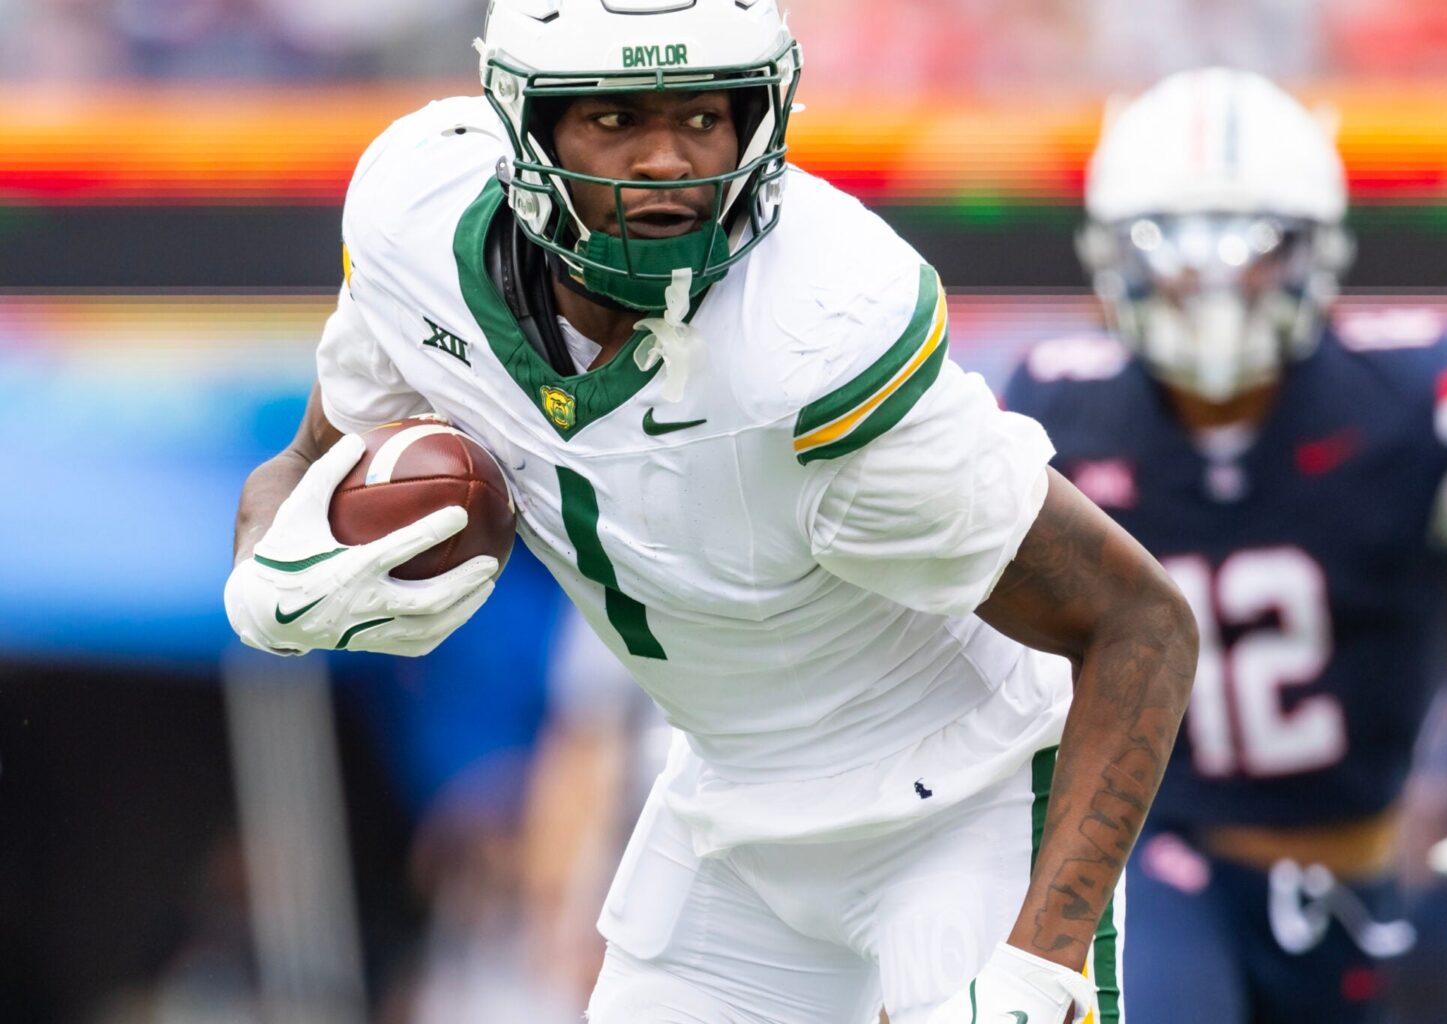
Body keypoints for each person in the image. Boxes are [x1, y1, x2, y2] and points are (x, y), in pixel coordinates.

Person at [220, 3, 1198, 1022]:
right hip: (730, 804)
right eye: (615, 119)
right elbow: (302, 463)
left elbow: (1142, 623)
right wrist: (264, 577)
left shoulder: (818, 330)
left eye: (701, 117)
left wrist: (1041, 963)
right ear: (525, 128)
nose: (664, 161)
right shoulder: (418, 228)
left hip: (964, 804)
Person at [1002, 67, 1447, 1022]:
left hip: (1350, 883)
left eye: (1254, 248)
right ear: (1112, 254)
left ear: (1318, 248)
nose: (1216, 287)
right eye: (1176, 250)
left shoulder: (1409, 402)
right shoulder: (1060, 405)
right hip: (1146, 857)